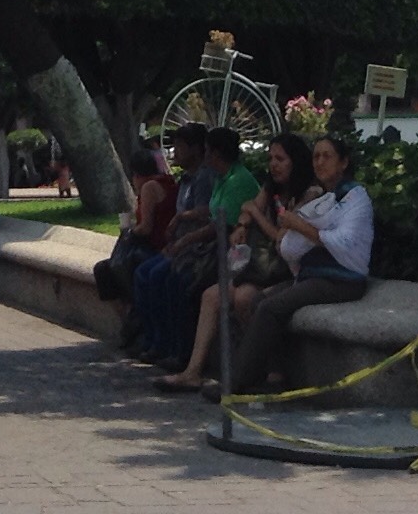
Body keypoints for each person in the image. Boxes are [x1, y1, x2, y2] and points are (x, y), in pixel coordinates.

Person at [221, 133, 372, 400]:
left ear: (344, 162)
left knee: (270, 307)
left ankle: (235, 383)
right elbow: (288, 246)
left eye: (327, 157)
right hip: (311, 275)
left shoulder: (355, 197)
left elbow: (343, 242)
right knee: (257, 302)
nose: (320, 162)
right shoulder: (323, 200)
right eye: (316, 156)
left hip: (341, 279)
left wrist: (299, 226)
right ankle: (271, 377)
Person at [159, 132, 310, 393]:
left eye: (281, 159)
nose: (274, 164)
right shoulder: (270, 187)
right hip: (261, 267)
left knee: (243, 299)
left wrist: (254, 214)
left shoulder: (309, 192)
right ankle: (192, 371)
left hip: (287, 270)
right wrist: (243, 224)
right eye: (271, 158)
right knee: (211, 295)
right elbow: (248, 208)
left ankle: (260, 372)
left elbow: (281, 240)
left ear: (295, 161)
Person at [130, 125, 219, 367]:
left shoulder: (204, 178)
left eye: (180, 147)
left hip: (197, 249)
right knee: (143, 273)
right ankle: (154, 341)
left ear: (196, 149)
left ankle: (176, 349)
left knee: (165, 277)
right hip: (178, 246)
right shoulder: (186, 179)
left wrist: (181, 226)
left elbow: (206, 215)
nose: (174, 152)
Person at [94, 143, 177, 348]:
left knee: (106, 269)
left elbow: (147, 228)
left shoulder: (149, 187)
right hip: (159, 247)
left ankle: (131, 322)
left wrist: (129, 231)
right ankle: (132, 322)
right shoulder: (167, 182)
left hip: (156, 248)